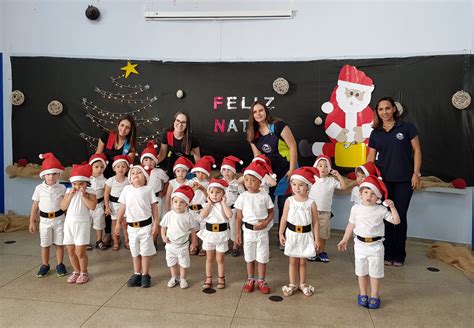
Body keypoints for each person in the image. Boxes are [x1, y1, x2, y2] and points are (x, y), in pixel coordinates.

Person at [367, 96, 422, 267]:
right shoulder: (376, 133)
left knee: (400, 216)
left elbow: (417, 150)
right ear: (377, 112)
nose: (384, 112)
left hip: (405, 181)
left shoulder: (406, 127)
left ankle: (399, 255)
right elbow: (370, 159)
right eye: (381, 109)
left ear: (394, 110)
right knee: (386, 217)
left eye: (387, 108)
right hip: (383, 182)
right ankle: (387, 253)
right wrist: (369, 178)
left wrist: (415, 173)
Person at [337, 176, 400, 309]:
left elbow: (396, 221)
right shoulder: (356, 209)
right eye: (366, 192)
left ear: (378, 197)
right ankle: (363, 294)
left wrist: (392, 207)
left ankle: (374, 296)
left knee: (375, 274)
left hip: (376, 247)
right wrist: (344, 239)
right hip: (360, 245)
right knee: (361, 273)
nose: (369, 196)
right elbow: (351, 224)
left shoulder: (381, 210)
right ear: (360, 194)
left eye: (373, 194)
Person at [96, 115, 137, 247]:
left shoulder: (130, 146)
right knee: (105, 204)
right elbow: (98, 155)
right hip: (104, 176)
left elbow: (128, 164)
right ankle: (108, 233)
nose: (124, 129)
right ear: (118, 125)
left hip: (119, 178)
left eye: (127, 127)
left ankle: (124, 238)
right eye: (122, 125)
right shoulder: (106, 136)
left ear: (130, 130)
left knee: (117, 206)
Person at [115, 165, 160, 288]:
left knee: (145, 252)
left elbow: (154, 208)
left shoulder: (148, 189)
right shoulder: (126, 190)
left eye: (139, 172)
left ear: (145, 177)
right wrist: (118, 222)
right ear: (129, 178)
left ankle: (145, 274)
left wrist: (156, 224)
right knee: (135, 252)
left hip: (146, 227)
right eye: (133, 173)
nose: (135, 174)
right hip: (132, 228)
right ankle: (137, 273)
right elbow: (122, 207)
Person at [234, 160, 274, 294]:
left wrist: (265, 223)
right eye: (246, 180)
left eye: (252, 180)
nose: (249, 183)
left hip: (262, 232)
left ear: (260, 181)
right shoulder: (242, 197)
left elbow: (271, 213)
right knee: (249, 257)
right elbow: (238, 217)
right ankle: (250, 279)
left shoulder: (264, 196)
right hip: (248, 232)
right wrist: (237, 234)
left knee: (262, 257)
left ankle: (261, 280)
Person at [279, 167, 320, 297]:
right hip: (292, 234)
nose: (297, 188)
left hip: (306, 235)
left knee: (303, 261)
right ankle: (292, 283)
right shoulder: (289, 201)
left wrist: (317, 238)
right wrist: (281, 233)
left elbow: (315, 222)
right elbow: (284, 218)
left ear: (307, 186)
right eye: (294, 184)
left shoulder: (311, 203)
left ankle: (302, 283)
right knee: (292, 261)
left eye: (300, 185)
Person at [29, 153, 67, 278]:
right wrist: (31, 221)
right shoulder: (39, 188)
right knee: (45, 244)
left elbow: (65, 204)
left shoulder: (62, 188)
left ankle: (60, 264)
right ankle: (45, 264)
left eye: (54, 173)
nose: (51, 176)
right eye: (48, 173)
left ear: (58, 174)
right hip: (45, 221)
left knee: (59, 243)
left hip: (59, 219)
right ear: (44, 175)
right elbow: (35, 205)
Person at [61, 163, 97, 284]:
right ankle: (76, 271)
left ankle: (84, 271)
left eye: (80, 183)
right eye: (75, 183)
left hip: (82, 224)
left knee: (80, 251)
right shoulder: (68, 191)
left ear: (86, 182)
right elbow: (62, 207)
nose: (77, 186)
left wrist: (84, 196)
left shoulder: (91, 191)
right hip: (69, 223)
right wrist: (70, 195)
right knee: (70, 250)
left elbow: (92, 206)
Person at [308, 155, 346, 262]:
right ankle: (312, 252)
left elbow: (343, 187)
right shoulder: (311, 179)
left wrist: (338, 176)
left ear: (329, 168)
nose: (323, 168)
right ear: (315, 167)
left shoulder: (331, 181)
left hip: (325, 213)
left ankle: (321, 252)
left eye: (326, 166)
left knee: (323, 235)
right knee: (311, 233)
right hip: (312, 212)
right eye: (320, 166)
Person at [161, 185, 199, 289]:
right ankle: (174, 277)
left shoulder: (188, 216)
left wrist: (194, 242)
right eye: (175, 202)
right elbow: (163, 227)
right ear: (172, 202)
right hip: (170, 244)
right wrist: (163, 236)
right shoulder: (169, 215)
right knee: (172, 262)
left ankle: (182, 278)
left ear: (187, 204)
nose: (178, 205)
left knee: (183, 263)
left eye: (182, 202)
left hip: (183, 245)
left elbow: (193, 230)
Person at [198, 178, 232, 290]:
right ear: (208, 193)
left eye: (218, 192)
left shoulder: (224, 204)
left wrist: (223, 203)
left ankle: (221, 278)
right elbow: (202, 215)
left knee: (220, 258)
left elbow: (229, 215)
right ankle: (208, 278)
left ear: (223, 193)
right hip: (209, 235)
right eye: (212, 192)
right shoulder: (206, 205)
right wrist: (209, 203)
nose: (214, 195)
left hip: (222, 235)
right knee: (209, 258)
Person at [140, 140, 169, 248]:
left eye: (152, 160)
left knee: (156, 219)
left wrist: (163, 191)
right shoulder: (139, 171)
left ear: (156, 161)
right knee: (146, 219)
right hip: (144, 200)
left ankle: (154, 240)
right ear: (142, 162)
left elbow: (166, 181)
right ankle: (145, 239)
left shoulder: (159, 172)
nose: (149, 162)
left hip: (156, 199)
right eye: (146, 160)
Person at [157, 111, 201, 177]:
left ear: (187, 125)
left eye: (183, 122)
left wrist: (199, 171)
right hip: (172, 161)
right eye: (178, 121)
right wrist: (151, 164)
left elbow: (197, 159)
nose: (180, 124)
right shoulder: (166, 134)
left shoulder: (191, 138)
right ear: (174, 121)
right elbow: (162, 155)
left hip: (187, 163)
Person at [188, 156, 214, 255]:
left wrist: (203, 189)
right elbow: (186, 190)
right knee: (193, 227)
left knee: (204, 227)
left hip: (203, 209)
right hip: (192, 209)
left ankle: (204, 246)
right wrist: (192, 188)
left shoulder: (208, 183)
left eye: (203, 173)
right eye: (198, 172)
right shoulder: (191, 181)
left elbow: (209, 197)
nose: (200, 175)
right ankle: (194, 245)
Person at [104, 155, 131, 251]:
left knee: (125, 224)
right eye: (118, 166)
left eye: (123, 166)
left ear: (127, 168)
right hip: (113, 205)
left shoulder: (128, 180)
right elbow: (106, 194)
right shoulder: (110, 180)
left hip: (125, 205)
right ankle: (116, 241)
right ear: (114, 168)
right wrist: (107, 207)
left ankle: (127, 241)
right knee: (115, 224)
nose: (120, 169)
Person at [220, 155, 245, 257]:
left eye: (229, 170)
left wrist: (241, 210)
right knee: (223, 227)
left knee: (235, 227)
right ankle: (223, 246)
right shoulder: (219, 183)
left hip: (233, 209)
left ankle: (235, 245)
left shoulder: (238, 184)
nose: (226, 172)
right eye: (224, 170)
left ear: (234, 172)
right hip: (222, 209)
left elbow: (243, 196)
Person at [88, 154, 108, 250]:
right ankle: (86, 242)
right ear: (91, 167)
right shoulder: (86, 179)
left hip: (99, 205)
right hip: (87, 205)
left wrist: (105, 206)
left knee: (99, 223)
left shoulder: (105, 181)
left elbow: (105, 194)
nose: (99, 169)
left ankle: (99, 240)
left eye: (102, 167)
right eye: (96, 167)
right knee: (86, 223)